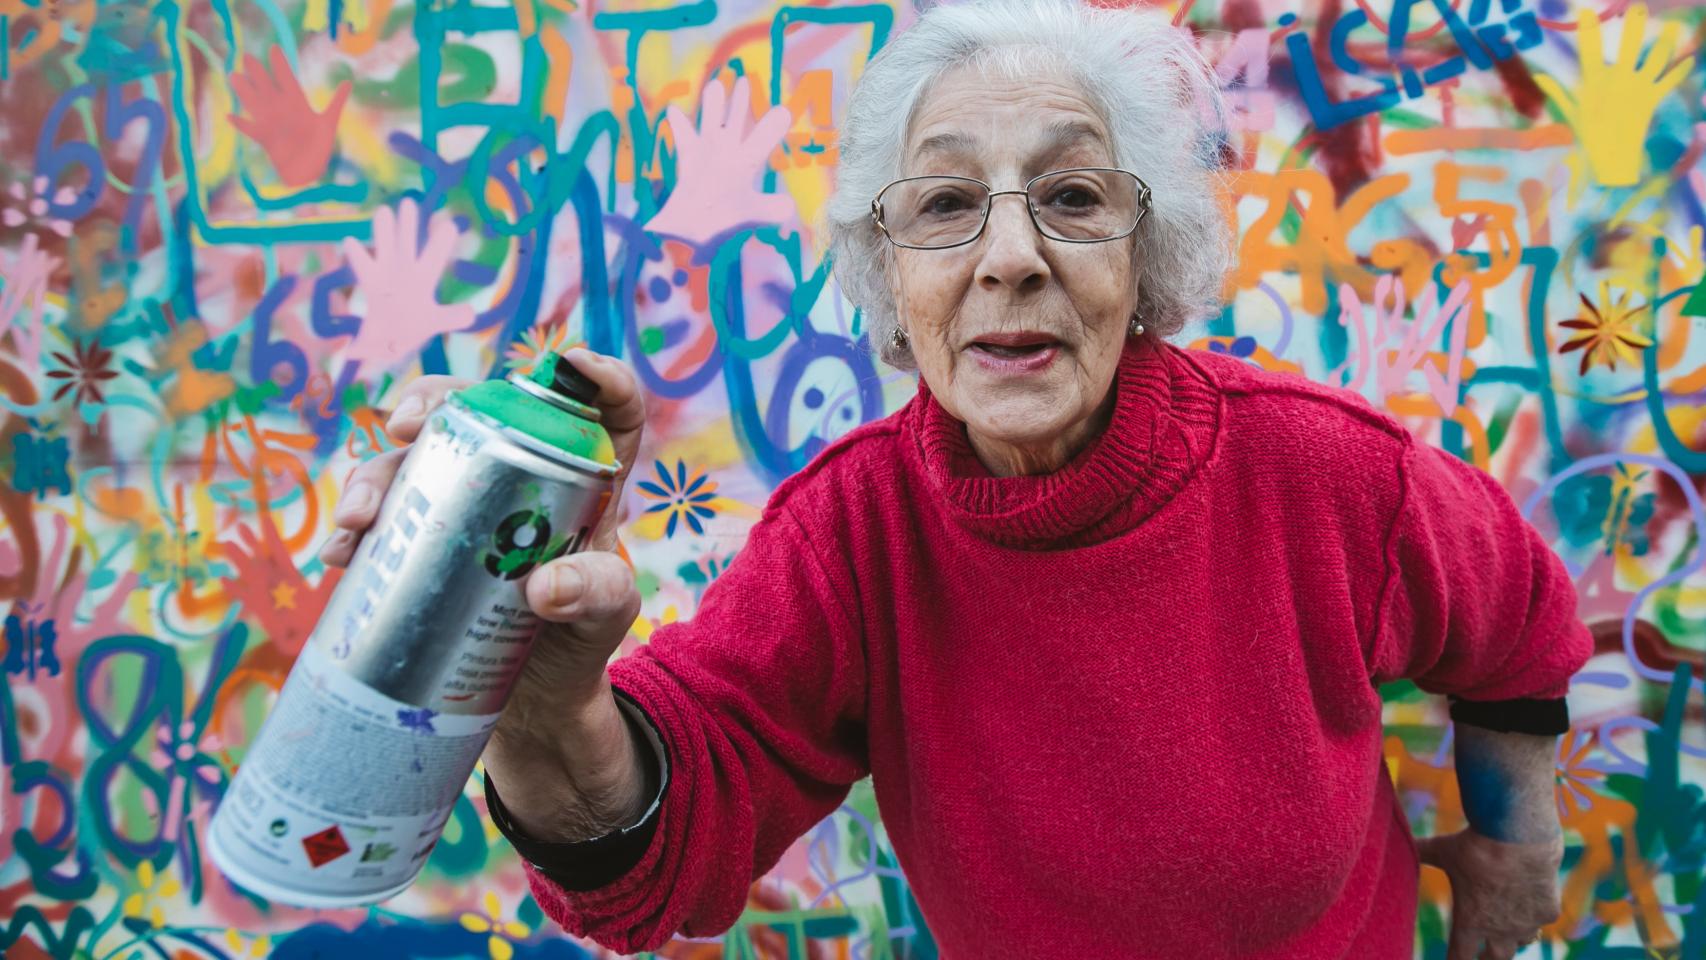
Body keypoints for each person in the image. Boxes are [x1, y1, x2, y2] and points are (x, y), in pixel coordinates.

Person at [322, 1, 1591, 956]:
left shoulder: (1320, 472)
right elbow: (666, 852)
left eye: (1073, 195)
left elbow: (1517, 626)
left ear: (1144, 256)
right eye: (941, 208)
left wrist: (1515, 851)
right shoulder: (852, 534)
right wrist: (543, 702)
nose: (1009, 259)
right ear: (890, 276)